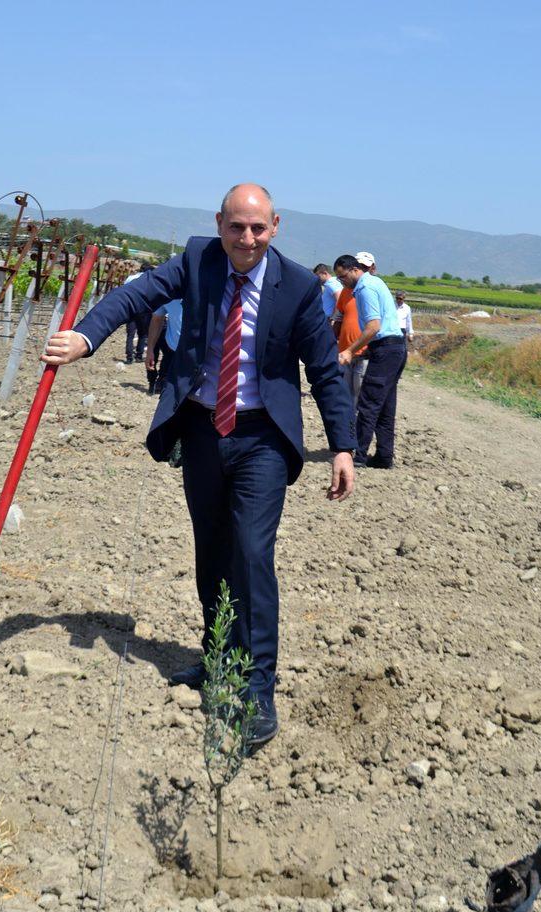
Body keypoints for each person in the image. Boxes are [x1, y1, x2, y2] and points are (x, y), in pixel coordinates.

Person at [41, 183, 355, 748]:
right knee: (210, 549)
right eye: (236, 226)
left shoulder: (302, 289)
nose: (247, 238)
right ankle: (217, 660)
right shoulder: (196, 259)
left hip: (262, 437)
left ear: (275, 226)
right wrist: (85, 337)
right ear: (219, 223)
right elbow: (134, 297)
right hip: (205, 432)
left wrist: (343, 446)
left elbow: (327, 371)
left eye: (258, 228)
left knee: (252, 553)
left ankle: (258, 687)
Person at [335, 254, 406, 470]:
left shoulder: (364, 288)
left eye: (343, 277)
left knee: (367, 403)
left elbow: (373, 326)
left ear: (354, 270)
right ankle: (384, 458)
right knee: (385, 407)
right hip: (396, 348)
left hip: (385, 349)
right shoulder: (376, 282)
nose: (342, 282)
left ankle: (359, 455)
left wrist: (349, 350)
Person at [331, 280, 368, 414]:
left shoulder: (369, 291)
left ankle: (357, 421)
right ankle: (348, 420)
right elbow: (339, 318)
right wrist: (331, 341)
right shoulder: (345, 292)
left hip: (363, 353)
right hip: (345, 351)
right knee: (345, 389)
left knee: (359, 390)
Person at [146, 298, 183, 394]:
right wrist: (150, 350)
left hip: (200, 355)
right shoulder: (169, 292)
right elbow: (157, 319)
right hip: (173, 351)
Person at [123, 261, 154, 363]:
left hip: (131, 309)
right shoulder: (151, 280)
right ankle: (139, 356)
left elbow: (124, 292)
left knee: (130, 334)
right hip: (144, 310)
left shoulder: (130, 278)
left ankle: (129, 357)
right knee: (143, 334)